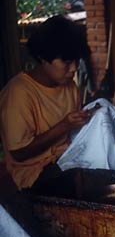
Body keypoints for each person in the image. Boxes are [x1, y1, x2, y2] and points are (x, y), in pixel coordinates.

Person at [0, 15, 92, 191]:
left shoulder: (70, 87)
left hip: (67, 159)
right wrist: (64, 126)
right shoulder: (19, 92)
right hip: (34, 173)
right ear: (43, 58)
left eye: (76, 60)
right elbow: (19, 153)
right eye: (66, 62)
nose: (73, 68)